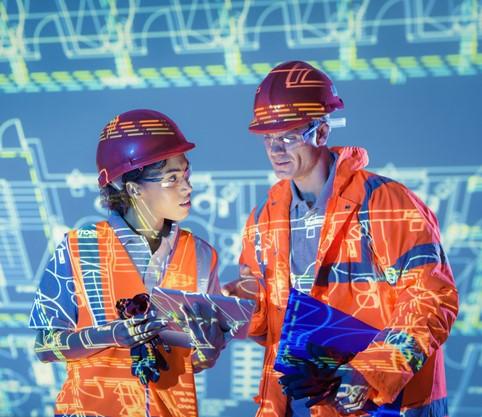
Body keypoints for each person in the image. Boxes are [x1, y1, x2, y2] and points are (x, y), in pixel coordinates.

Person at [223, 61, 459, 417]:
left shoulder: (386, 203)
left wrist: (371, 369)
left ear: (320, 131)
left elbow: (431, 299)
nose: (276, 149)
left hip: (384, 404)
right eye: (268, 138)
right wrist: (234, 307)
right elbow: (268, 323)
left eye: (288, 136)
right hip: (296, 403)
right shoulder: (262, 220)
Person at [29, 109, 228, 417]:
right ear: (133, 189)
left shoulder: (202, 254)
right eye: (172, 178)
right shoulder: (78, 248)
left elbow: (195, 361)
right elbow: (44, 347)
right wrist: (110, 336)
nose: (187, 187)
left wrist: (208, 349)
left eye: (185, 174)